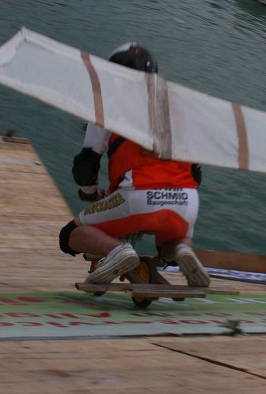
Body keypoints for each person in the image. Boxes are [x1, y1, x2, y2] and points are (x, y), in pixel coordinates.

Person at [58, 43, 210, 288]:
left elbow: (85, 165)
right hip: (186, 199)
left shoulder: (108, 107)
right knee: (173, 239)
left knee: (69, 235)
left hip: (138, 196)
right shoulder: (178, 109)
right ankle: (182, 250)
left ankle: (118, 252)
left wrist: (89, 193)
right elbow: (196, 173)